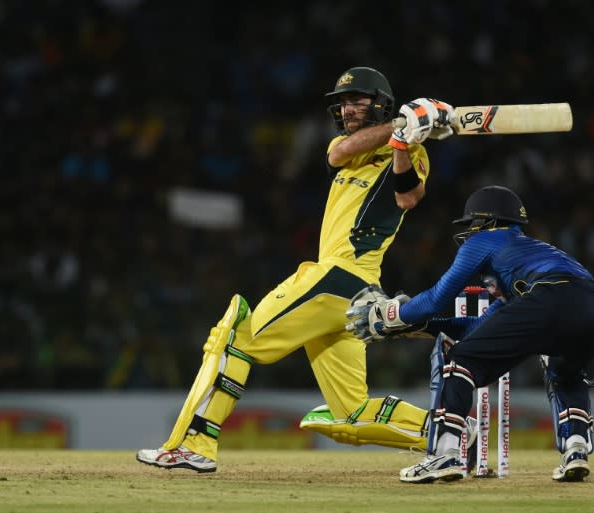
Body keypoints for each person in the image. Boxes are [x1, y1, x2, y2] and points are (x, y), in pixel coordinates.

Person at [136, 66, 456, 472]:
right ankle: (450, 434)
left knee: (236, 338)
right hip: (352, 294)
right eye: (342, 103)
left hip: (342, 276)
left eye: (356, 101)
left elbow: (409, 197)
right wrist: (402, 124)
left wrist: (405, 141)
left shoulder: (411, 154)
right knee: (351, 414)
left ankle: (193, 445)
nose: (347, 109)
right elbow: (338, 152)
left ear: (379, 102)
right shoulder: (348, 148)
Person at [346, 185, 594, 483]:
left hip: (550, 299)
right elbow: (475, 328)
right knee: (564, 372)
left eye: (471, 224)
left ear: (488, 221)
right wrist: (420, 325)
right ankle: (576, 450)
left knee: (459, 359)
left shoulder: (488, 239)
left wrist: (388, 315)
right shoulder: (526, 262)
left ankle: (446, 453)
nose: (468, 233)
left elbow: (436, 298)